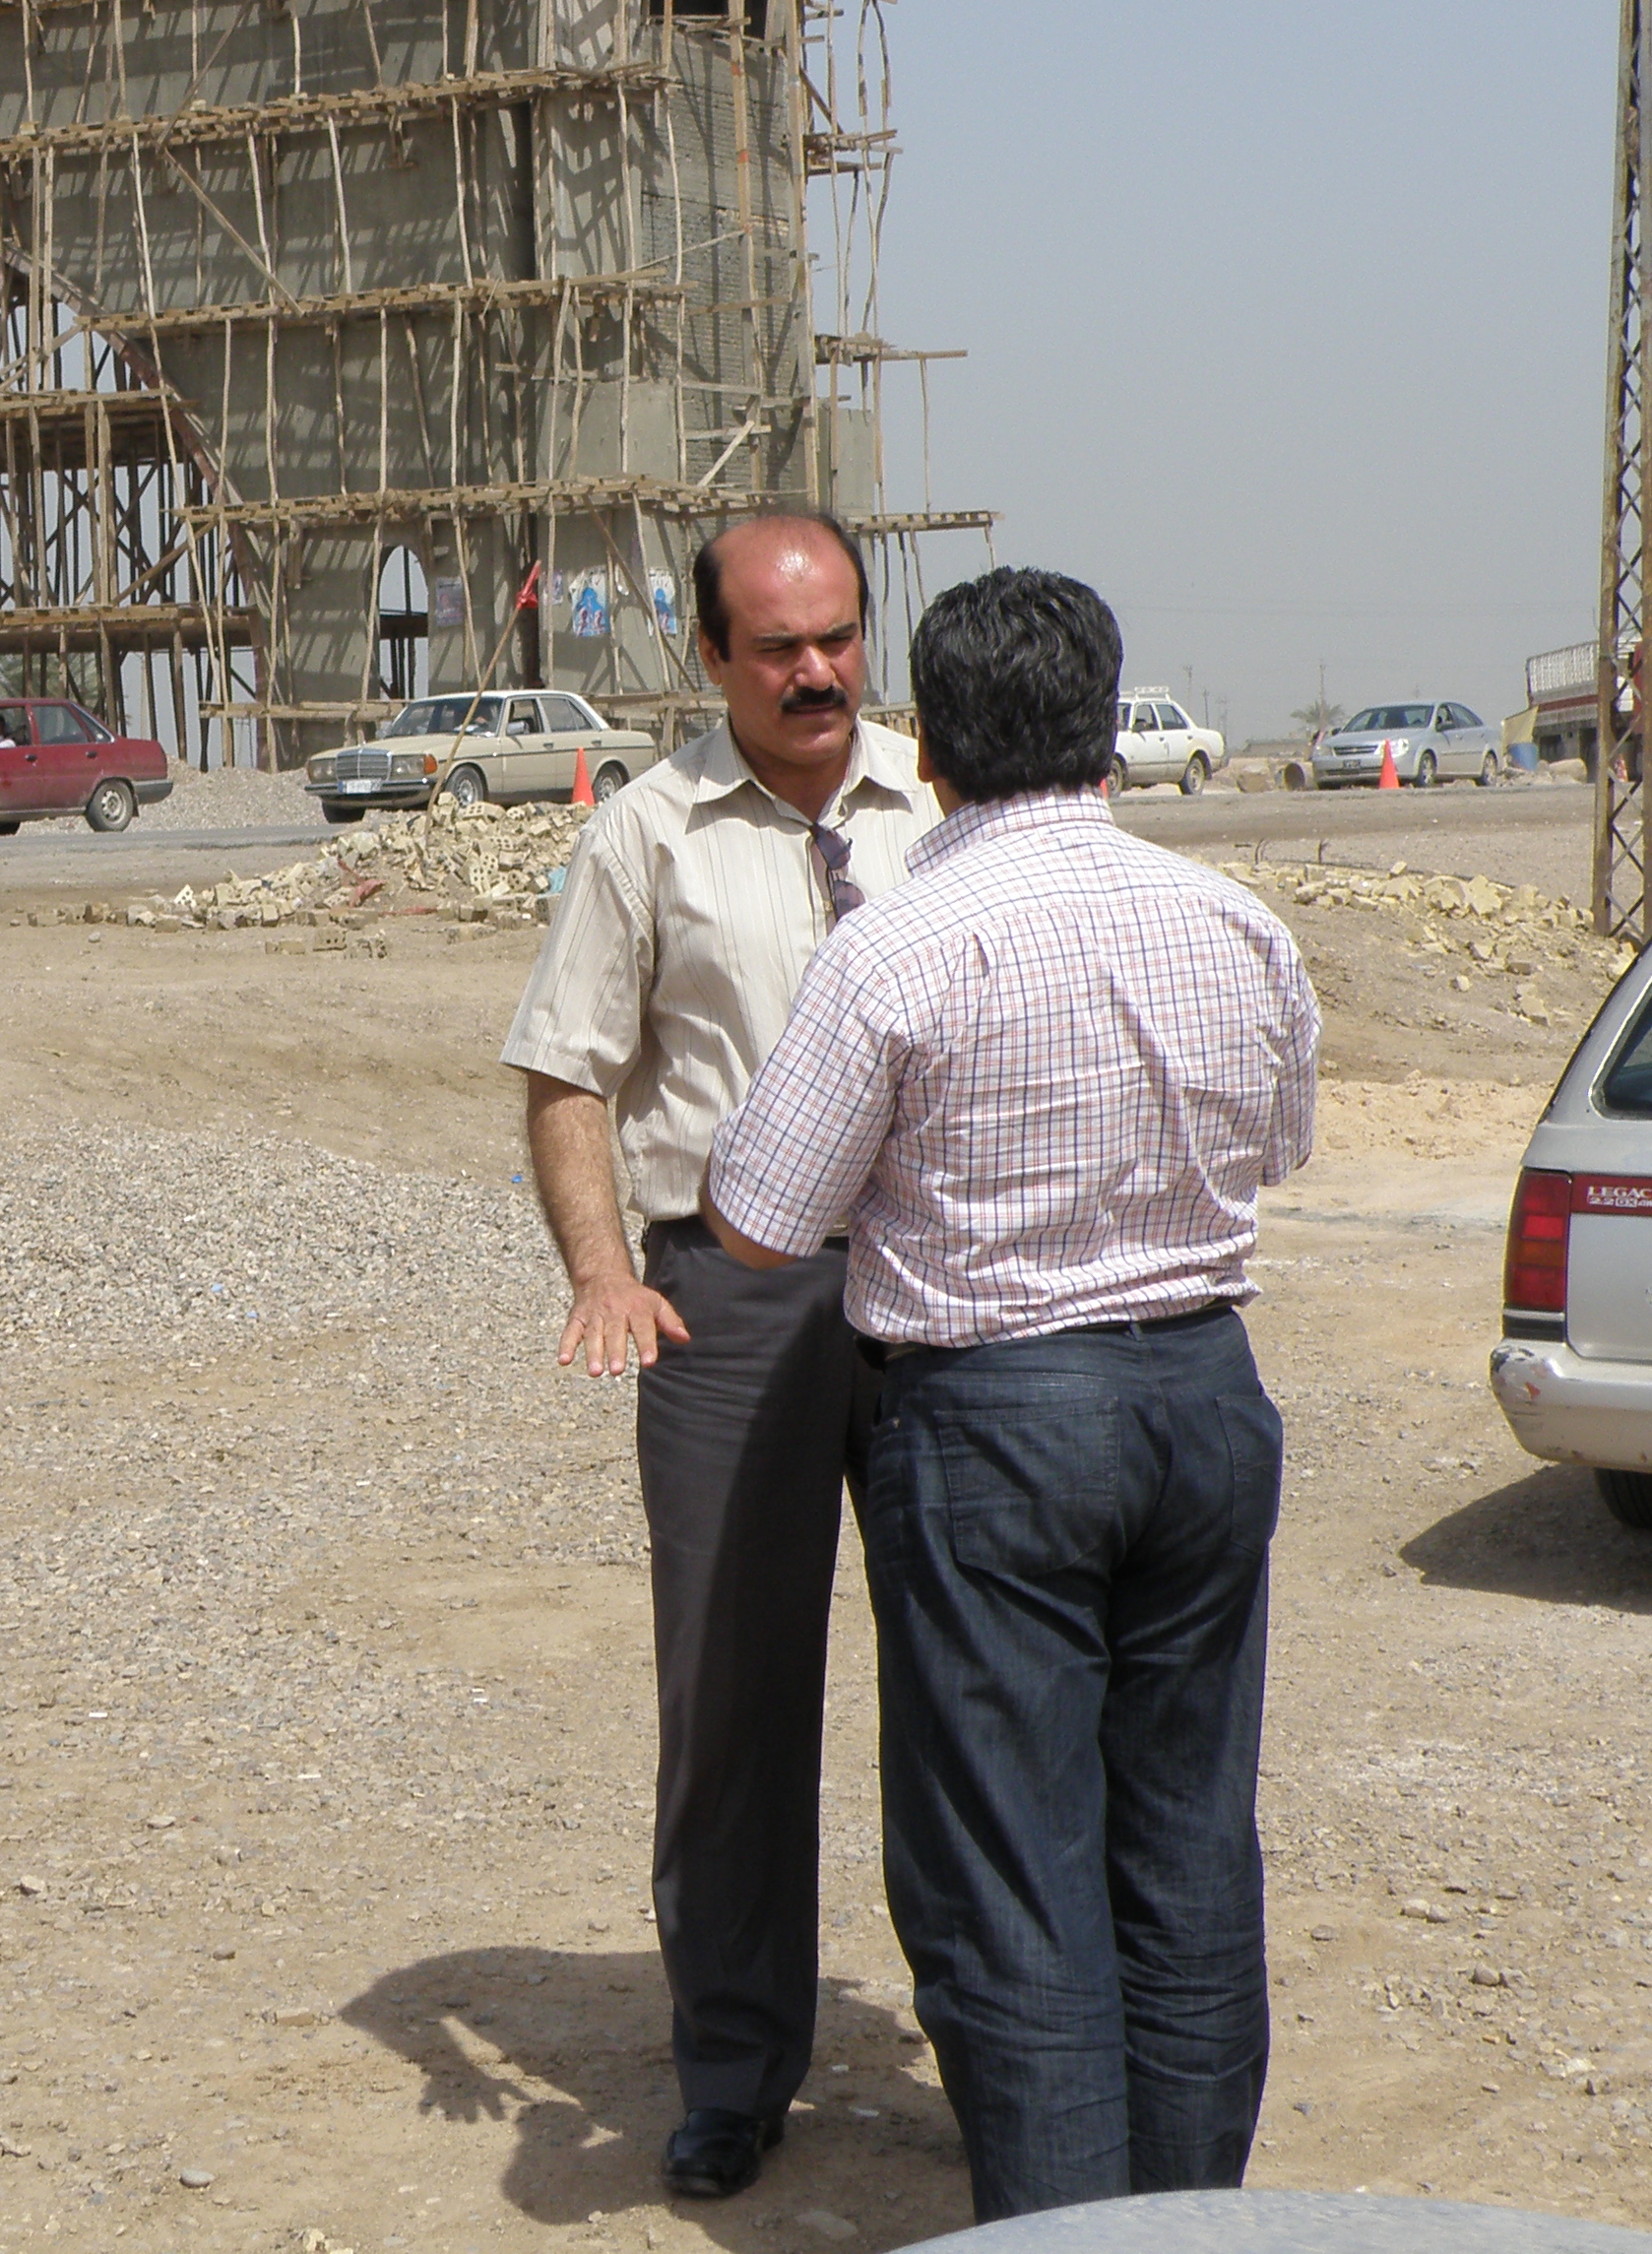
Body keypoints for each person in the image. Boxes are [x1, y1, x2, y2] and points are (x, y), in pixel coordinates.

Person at [702, 566, 1320, 2223]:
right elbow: (1280, 1148)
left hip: (993, 1423)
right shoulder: (1229, 923)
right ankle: (1190, 2222)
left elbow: (760, 1217)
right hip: (1200, 1393)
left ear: (934, 745)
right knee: (1188, 1854)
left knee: (1010, 1880)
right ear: (1108, 724)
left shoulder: (901, 939)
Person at [499, 512, 940, 2201]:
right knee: (733, 1704)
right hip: (729, 1307)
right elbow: (564, 1072)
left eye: (836, 636)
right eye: (777, 648)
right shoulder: (645, 836)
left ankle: (994, 2045)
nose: (818, 670)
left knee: (968, 1691)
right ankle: (737, 2067)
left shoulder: (945, 812)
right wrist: (606, 1271)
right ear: (711, 659)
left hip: (935, 1297)